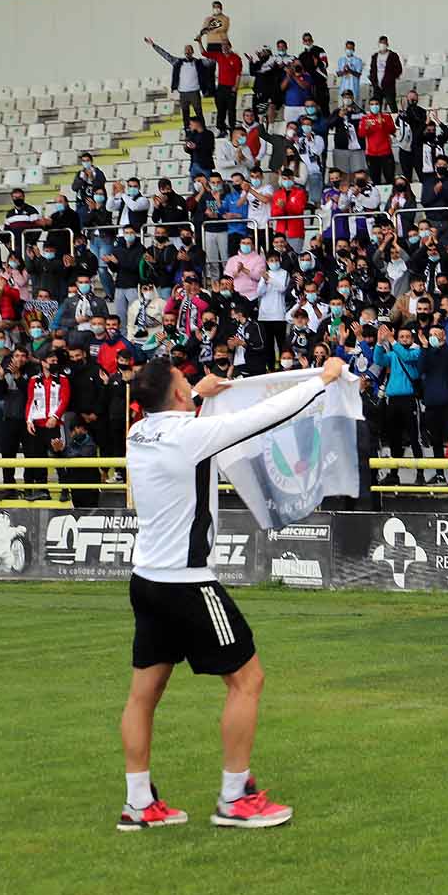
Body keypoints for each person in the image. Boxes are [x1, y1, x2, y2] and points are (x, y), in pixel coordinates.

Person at [116, 354, 346, 832]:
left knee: (143, 694)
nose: (189, 384)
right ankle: (234, 796)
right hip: (188, 583)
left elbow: (176, 419)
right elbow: (261, 416)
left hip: (147, 582)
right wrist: (321, 381)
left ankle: (139, 804)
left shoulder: (139, 433)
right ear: (177, 395)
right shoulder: (191, 435)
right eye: (184, 381)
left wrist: (200, 394)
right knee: (248, 680)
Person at [145, 37, 216, 126]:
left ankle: (203, 129)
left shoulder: (199, 62)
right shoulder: (178, 62)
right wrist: (153, 45)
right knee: (185, 114)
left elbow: (212, 61)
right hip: (183, 93)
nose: (188, 51)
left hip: (194, 92)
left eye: (189, 49)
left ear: (192, 51)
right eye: (186, 50)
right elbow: (166, 55)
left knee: (199, 113)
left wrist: (201, 45)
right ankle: (187, 131)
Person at [368, 36, 403, 112]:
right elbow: (372, 70)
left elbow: (399, 69)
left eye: (384, 43)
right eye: (381, 43)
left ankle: (395, 122)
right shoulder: (375, 56)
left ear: (387, 44)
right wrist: (373, 81)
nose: (382, 45)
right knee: (376, 108)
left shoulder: (393, 55)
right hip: (377, 86)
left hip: (389, 86)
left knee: (392, 105)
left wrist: (390, 78)